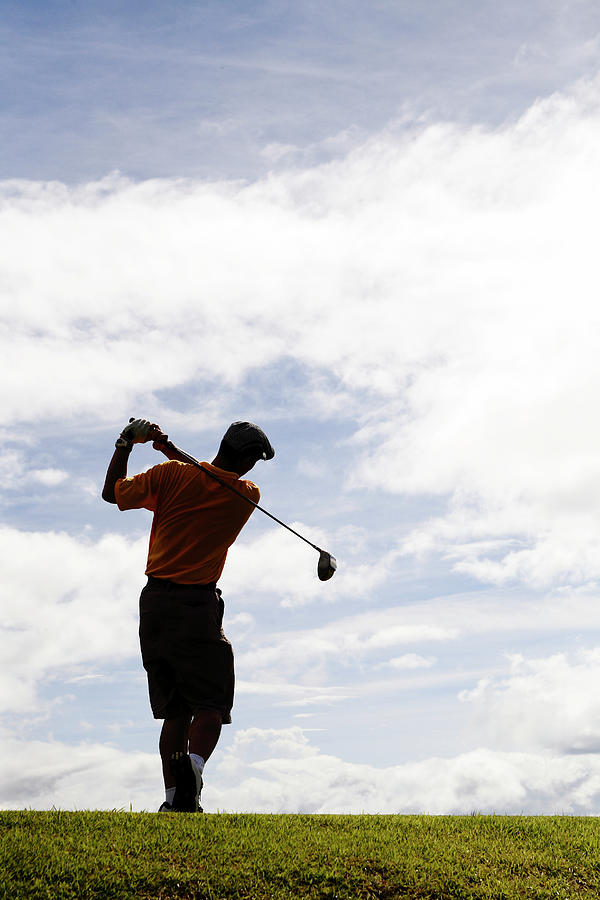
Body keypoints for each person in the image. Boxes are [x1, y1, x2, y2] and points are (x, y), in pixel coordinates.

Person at [102, 417, 274, 812]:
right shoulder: (247, 494)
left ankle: (174, 801)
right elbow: (210, 474)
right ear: (247, 459)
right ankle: (193, 768)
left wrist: (127, 443)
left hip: (155, 604)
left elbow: (112, 495)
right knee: (211, 703)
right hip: (197, 606)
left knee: (175, 710)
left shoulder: (169, 476)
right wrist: (169, 448)